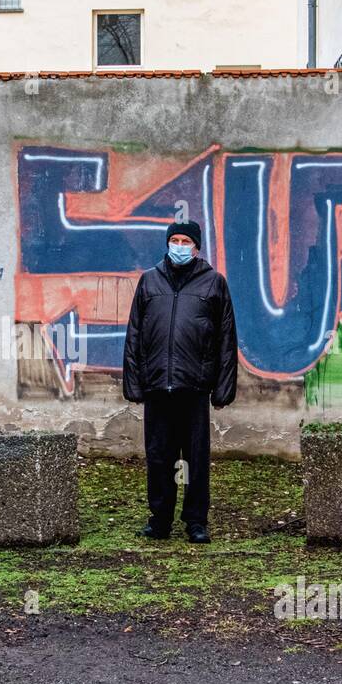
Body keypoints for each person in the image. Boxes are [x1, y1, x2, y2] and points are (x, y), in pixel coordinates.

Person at [122, 220, 238, 543]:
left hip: (195, 387)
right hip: (158, 386)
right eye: (175, 239)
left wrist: (223, 387)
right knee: (159, 457)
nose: (180, 245)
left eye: (186, 240)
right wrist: (133, 382)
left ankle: (196, 522)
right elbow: (134, 335)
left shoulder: (214, 284)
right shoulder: (149, 282)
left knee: (196, 459)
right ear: (167, 243)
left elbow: (226, 339)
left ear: (196, 247)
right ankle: (159, 519)